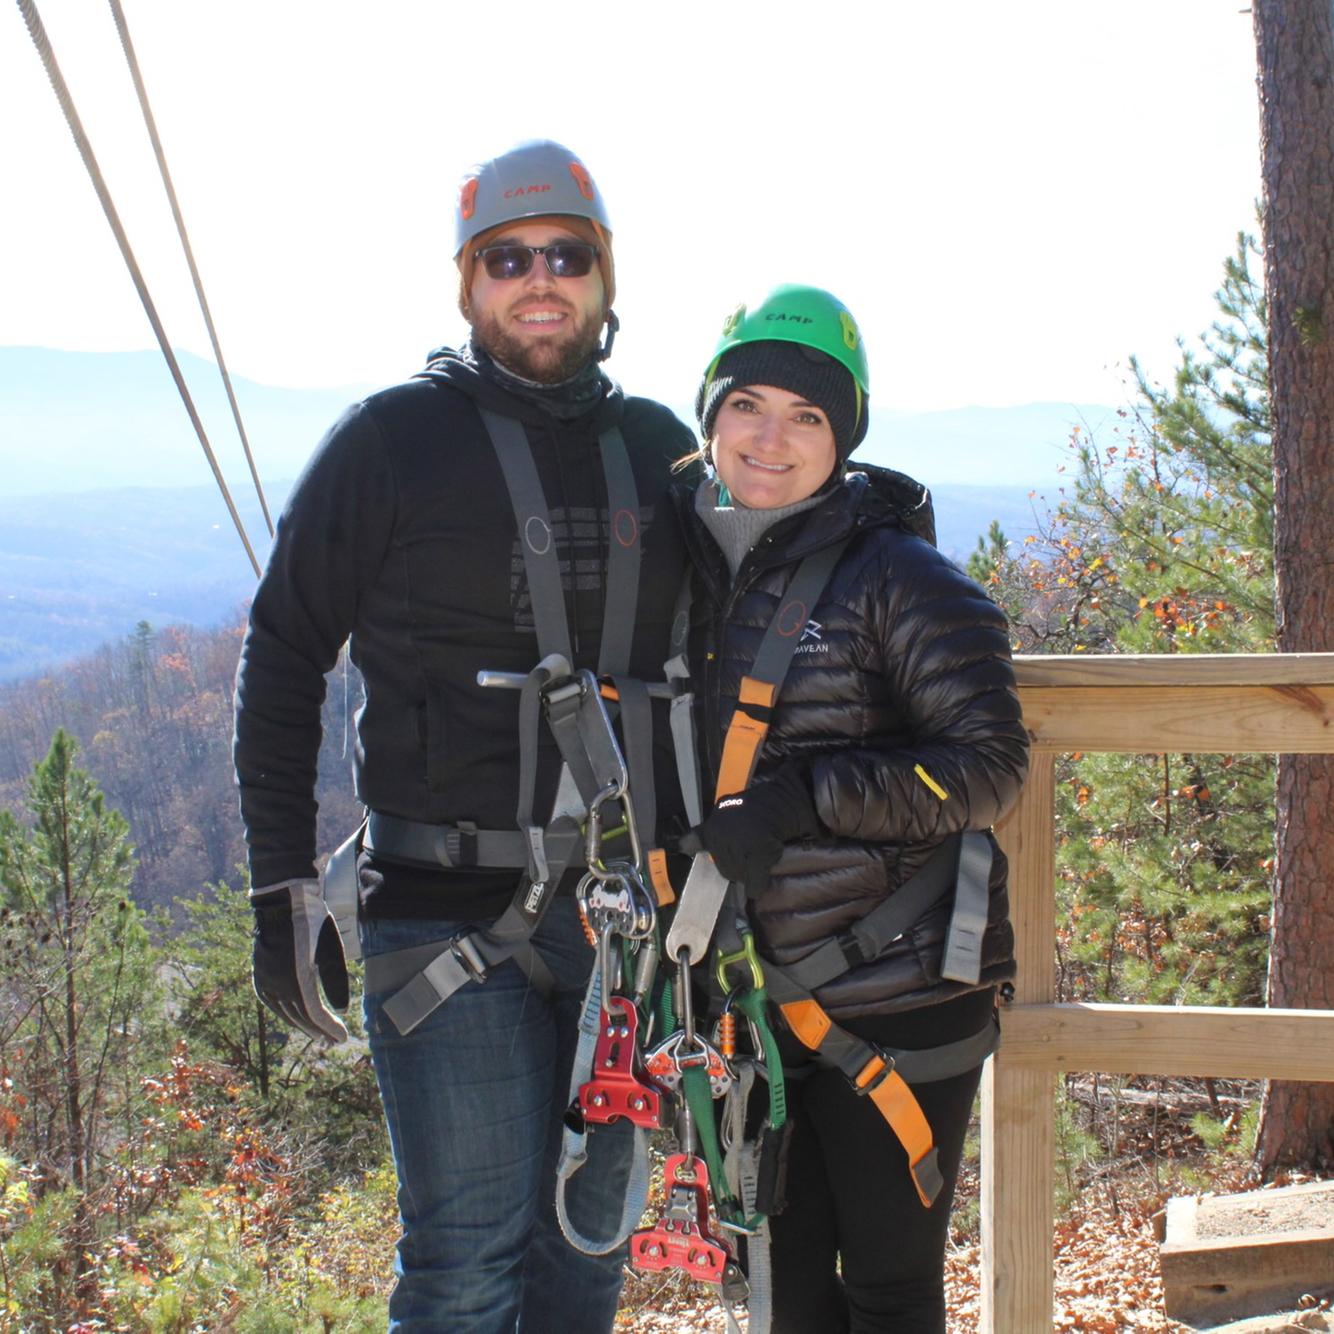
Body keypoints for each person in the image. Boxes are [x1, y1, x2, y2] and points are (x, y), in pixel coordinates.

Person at [233, 138, 694, 1332]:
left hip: (620, 924)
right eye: (506, 258)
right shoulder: (390, 442)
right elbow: (283, 651)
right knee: (464, 1268)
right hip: (443, 911)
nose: (539, 280)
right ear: (467, 282)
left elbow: (754, 613)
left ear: (603, 276)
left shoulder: (661, 451)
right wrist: (280, 886)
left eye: (566, 256)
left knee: (586, 1252)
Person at [674, 285, 1029, 1332]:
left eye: (807, 415)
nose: (770, 437)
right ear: (709, 417)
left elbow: (988, 766)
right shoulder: (680, 576)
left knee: (886, 1290)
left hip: (897, 985)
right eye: (747, 405)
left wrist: (806, 797)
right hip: (742, 995)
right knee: (780, 1293)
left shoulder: (902, 578)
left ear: (844, 438)